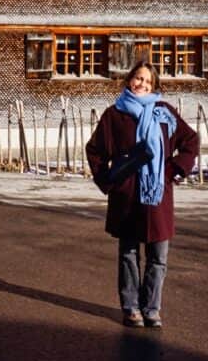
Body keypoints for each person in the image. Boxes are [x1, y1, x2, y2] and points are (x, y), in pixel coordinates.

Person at [85, 61, 200, 328]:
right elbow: (95, 151)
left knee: (158, 256)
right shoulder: (114, 115)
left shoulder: (165, 113)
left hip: (158, 196)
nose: (142, 85)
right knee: (128, 253)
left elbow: (190, 142)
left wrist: (172, 169)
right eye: (138, 79)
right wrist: (110, 180)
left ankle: (152, 308)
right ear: (129, 80)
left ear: (154, 86)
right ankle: (131, 308)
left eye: (148, 82)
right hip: (127, 195)